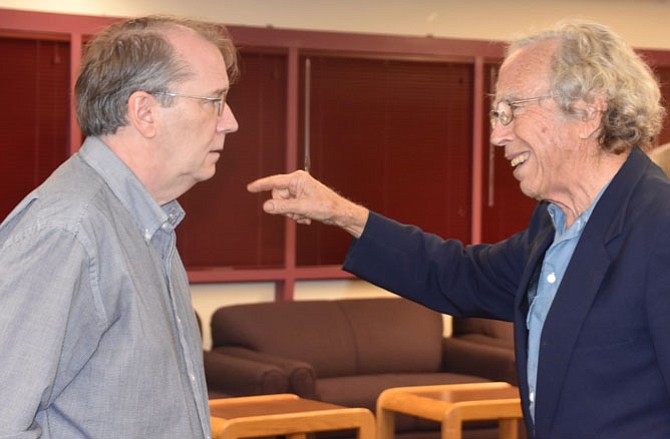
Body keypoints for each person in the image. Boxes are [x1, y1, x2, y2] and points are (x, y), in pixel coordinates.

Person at [248, 19, 670, 438]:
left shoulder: (659, 225)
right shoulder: (552, 224)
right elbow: (461, 275)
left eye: (511, 111)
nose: (496, 135)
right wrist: (343, 214)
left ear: (586, 111)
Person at [0, 15, 238, 438]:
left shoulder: (149, 222)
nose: (230, 121)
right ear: (144, 111)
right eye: (214, 101)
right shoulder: (69, 231)